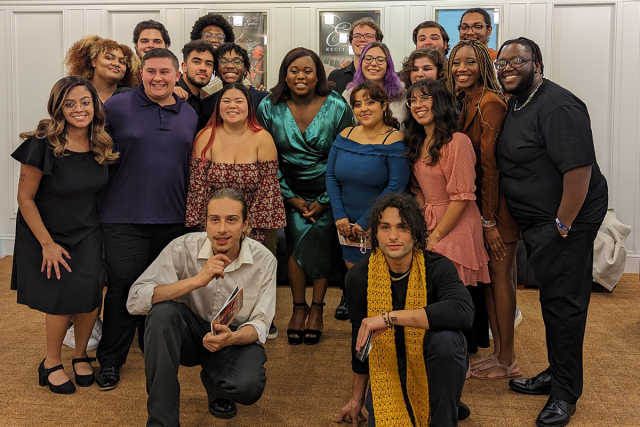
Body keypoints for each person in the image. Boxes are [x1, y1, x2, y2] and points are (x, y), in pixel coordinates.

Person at [495, 37, 608, 427]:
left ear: (537, 64)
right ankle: (556, 373)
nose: (507, 68)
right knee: (552, 303)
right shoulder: (520, 100)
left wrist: (562, 224)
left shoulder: (558, 105)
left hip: (565, 224)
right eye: (502, 63)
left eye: (517, 61)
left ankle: (564, 394)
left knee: (565, 306)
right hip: (539, 225)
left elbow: (579, 170)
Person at [127, 189, 276, 424]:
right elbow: (135, 300)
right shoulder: (181, 248)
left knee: (248, 387)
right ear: (205, 223)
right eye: (214, 220)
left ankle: (215, 384)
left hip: (231, 337)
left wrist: (229, 339)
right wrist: (196, 281)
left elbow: (260, 324)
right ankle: (161, 422)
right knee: (161, 315)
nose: (222, 229)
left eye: (232, 220)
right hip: (187, 333)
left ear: (246, 225)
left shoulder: (265, 261)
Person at [96, 48, 198, 391]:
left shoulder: (188, 112)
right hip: (123, 215)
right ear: (141, 73)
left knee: (162, 292)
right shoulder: (116, 107)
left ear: (177, 73)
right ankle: (110, 361)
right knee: (122, 289)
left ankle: (151, 350)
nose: (158, 78)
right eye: (151, 71)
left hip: (173, 218)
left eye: (165, 72)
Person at [11, 76, 118, 393]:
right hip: (48, 232)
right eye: (69, 104)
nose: (79, 109)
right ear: (58, 108)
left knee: (89, 297)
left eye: (85, 102)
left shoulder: (101, 141)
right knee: (61, 299)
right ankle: (50, 362)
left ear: (94, 105)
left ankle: (81, 354)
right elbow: (24, 199)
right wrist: (47, 245)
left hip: (87, 229)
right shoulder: (41, 143)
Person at [333, 193, 473, 427]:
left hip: (431, 360)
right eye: (385, 227)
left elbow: (463, 312)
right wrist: (356, 399)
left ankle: (444, 415)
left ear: (416, 231)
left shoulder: (438, 267)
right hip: (388, 363)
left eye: (403, 227)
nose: (394, 236)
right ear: (374, 233)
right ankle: (435, 400)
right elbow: (360, 342)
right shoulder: (358, 277)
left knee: (448, 340)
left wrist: (389, 319)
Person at [257, 47, 355, 345]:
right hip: (286, 190)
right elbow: (263, 157)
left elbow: (348, 152)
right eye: (294, 70)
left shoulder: (337, 105)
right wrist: (290, 197)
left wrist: (327, 200)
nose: (300, 76)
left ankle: (317, 308)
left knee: (322, 247)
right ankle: (298, 307)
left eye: (307, 70)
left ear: (318, 75)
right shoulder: (268, 106)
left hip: (330, 190)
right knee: (297, 248)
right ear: (284, 75)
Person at [447, 39, 521, 377]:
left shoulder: (490, 102)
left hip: (498, 206)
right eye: (456, 63)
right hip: (485, 205)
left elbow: (491, 167)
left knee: (502, 279)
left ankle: (508, 359)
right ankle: (498, 352)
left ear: (483, 66)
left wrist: (489, 221)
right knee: (492, 281)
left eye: (470, 63)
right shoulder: (468, 100)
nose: (462, 68)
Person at [325, 82, 410, 325]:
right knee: (357, 283)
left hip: (378, 224)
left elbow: (395, 187)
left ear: (385, 105)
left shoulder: (395, 140)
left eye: (370, 102)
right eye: (358, 104)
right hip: (345, 225)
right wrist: (340, 217)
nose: (364, 108)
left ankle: (387, 337)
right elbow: (330, 176)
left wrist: (364, 222)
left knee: (382, 285)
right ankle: (362, 336)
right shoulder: (345, 136)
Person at [405, 78, 490, 291]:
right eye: (412, 100)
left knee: (451, 294)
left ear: (440, 102)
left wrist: (434, 237)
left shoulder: (457, 142)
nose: (418, 105)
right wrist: (421, 228)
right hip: (429, 220)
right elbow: (419, 191)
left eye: (425, 98)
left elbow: (461, 199)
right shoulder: (417, 141)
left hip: (457, 223)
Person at [186, 83, 286, 251]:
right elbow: (198, 186)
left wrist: (247, 226)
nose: (232, 106)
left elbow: (268, 188)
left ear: (249, 106)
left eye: (238, 101)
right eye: (226, 101)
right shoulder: (205, 136)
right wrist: (212, 224)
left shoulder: (263, 138)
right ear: (218, 106)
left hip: (254, 225)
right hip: (213, 224)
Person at [201, 43, 269, 124]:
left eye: (237, 61)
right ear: (216, 69)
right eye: (223, 61)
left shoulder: (263, 99)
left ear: (245, 69)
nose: (230, 66)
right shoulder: (207, 104)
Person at [344, 42, 407, 126]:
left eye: (380, 60)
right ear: (361, 63)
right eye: (368, 58)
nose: (373, 64)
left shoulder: (403, 94)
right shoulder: (348, 94)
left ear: (388, 65)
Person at [65, 35, 140, 103]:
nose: (117, 64)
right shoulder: (74, 92)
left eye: (122, 62)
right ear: (93, 61)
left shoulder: (132, 97)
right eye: (109, 58)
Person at [328, 17, 384, 95]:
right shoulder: (336, 77)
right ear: (351, 42)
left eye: (368, 36)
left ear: (378, 42)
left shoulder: (393, 78)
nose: (362, 39)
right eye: (357, 36)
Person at [190, 13, 235, 96]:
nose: (214, 40)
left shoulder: (231, 70)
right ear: (198, 38)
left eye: (220, 37)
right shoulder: (191, 66)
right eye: (208, 35)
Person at [177, 40, 216, 132]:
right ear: (184, 67)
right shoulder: (168, 93)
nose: (203, 68)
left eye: (208, 64)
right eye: (197, 62)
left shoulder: (204, 102)